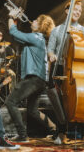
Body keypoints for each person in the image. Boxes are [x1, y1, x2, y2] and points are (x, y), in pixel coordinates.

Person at [47, 0, 84, 147]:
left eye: (80, 11)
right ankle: (62, 132)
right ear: (67, 11)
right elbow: (50, 49)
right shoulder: (57, 30)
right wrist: (52, 55)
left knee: (83, 98)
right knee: (62, 102)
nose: (77, 12)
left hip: (78, 70)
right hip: (62, 67)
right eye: (75, 10)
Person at [5, 9, 57, 142]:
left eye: (35, 20)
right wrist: (15, 21)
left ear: (40, 25)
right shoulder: (40, 39)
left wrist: (11, 16)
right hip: (40, 80)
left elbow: (13, 32)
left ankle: (22, 135)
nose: (32, 21)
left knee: (10, 102)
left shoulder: (35, 37)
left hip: (33, 78)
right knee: (32, 111)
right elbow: (17, 36)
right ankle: (54, 129)